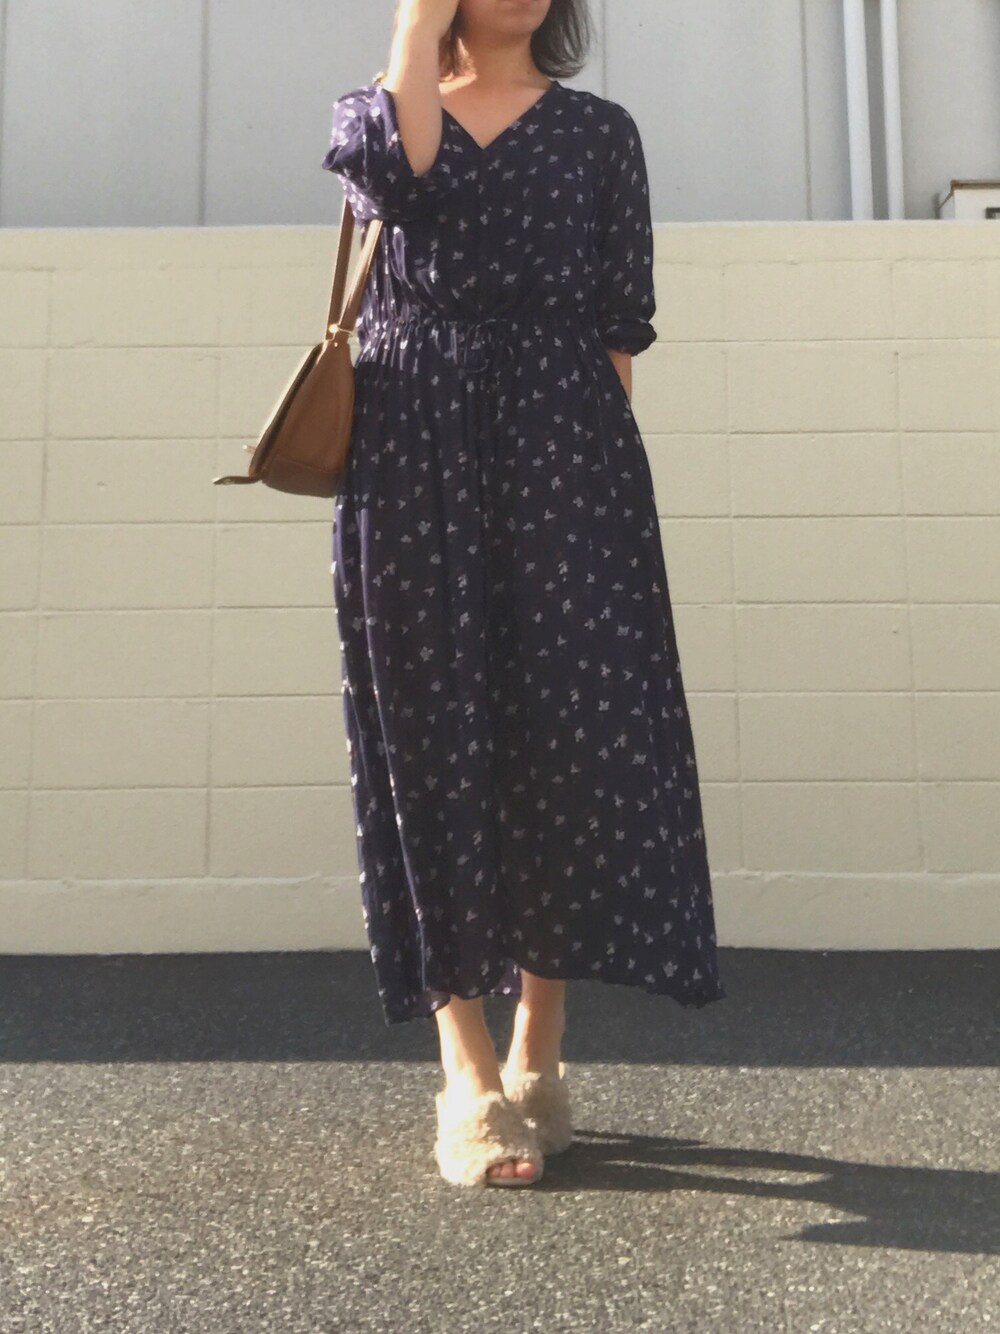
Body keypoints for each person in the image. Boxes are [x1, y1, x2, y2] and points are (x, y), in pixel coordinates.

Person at [321, 0, 726, 1187]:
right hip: (408, 451)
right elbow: (396, 178)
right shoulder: (376, 117)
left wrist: (591, 481)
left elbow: (617, 327)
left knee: (563, 741)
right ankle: (466, 1068)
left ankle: (538, 1046)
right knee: (429, 739)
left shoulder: (600, 134)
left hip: (566, 449)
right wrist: (416, 29)